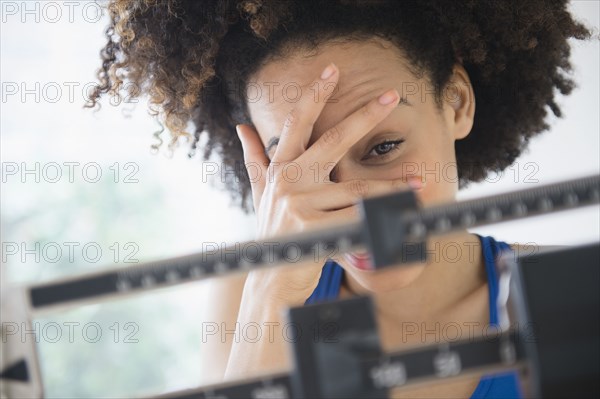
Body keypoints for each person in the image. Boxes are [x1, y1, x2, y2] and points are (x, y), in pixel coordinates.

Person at [88, 0, 591, 397]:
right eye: (303, 167)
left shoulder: (568, 293)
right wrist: (272, 290)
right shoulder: (249, 298)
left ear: (456, 102)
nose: (352, 208)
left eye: (384, 147)